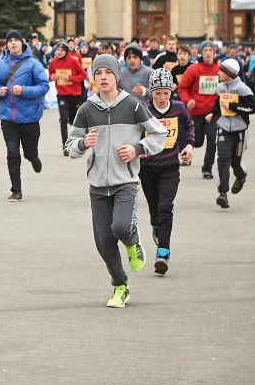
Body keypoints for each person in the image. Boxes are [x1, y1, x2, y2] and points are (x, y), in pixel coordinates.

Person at [65, 54, 167, 308]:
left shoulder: (133, 105)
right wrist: (81, 143)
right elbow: (70, 146)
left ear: (116, 75)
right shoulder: (87, 108)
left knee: (121, 228)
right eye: (98, 73)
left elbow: (159, 133)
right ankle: (120, 286)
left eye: (107, 73)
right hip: (97, 185)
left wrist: (137, 149)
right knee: (103, 241)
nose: (103, 77)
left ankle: (133, 241)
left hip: (126, 181)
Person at [139, 69, 195, 275]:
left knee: (166, 207)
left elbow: (189, 127)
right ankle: (155, 224)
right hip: (147, 169)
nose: (162, 98)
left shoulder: (179, 109)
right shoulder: (143, 109)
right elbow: (134, 132)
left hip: (170, 167)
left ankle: (163, 253)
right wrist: (138, 149)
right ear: (151, 93)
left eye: (166, 92)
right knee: (155, 209)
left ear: (172, 90)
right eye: (157, 93)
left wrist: (189, 146)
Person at [0, 30, 50, 202]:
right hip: (8, 118)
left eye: (16, 40)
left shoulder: (33, 64)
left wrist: (25, 91)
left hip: (30, 117)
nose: (13, 43)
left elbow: (44, 86)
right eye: (10, 40)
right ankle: (16, 190)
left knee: (29, 152)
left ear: (22, 43)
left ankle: (33, 157)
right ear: (6, 44)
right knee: (12, 152)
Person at [205, 59, 255, 208]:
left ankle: (241, 177)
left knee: (235, 162)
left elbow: (253, 108)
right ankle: (223, 193)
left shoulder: (243, 89)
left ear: (229, 74)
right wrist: (212, 114)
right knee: (223, 159)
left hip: (239, 130)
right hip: (223, 127)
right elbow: (218, 103)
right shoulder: (221, 87)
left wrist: (234, 106)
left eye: (221, 71)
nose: (218, 72)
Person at [177, 41, 221, 179]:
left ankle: (207, 169)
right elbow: (182, 88)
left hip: (212, 113)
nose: (208, 52)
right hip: (195, 112)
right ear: (202, 53)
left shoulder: (220, 70)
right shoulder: (194, 69)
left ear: (214, 53)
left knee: (213, 140)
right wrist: (187, 100)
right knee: (198, 141)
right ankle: (185, 153)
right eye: (206, 50)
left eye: (211, 50)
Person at [48, 41, 87, 155]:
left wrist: (70, 78)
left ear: (66, 52)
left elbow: (83, 75)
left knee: (73, 120)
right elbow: (50, 76)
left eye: (62, 50)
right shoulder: (53, 62)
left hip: (75, 94)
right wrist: (52, 77)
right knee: (63, 119)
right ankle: (66, 145)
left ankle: (77, 138)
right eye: (57, 50)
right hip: (62, 94)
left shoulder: (73, 61)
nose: (59, 52)